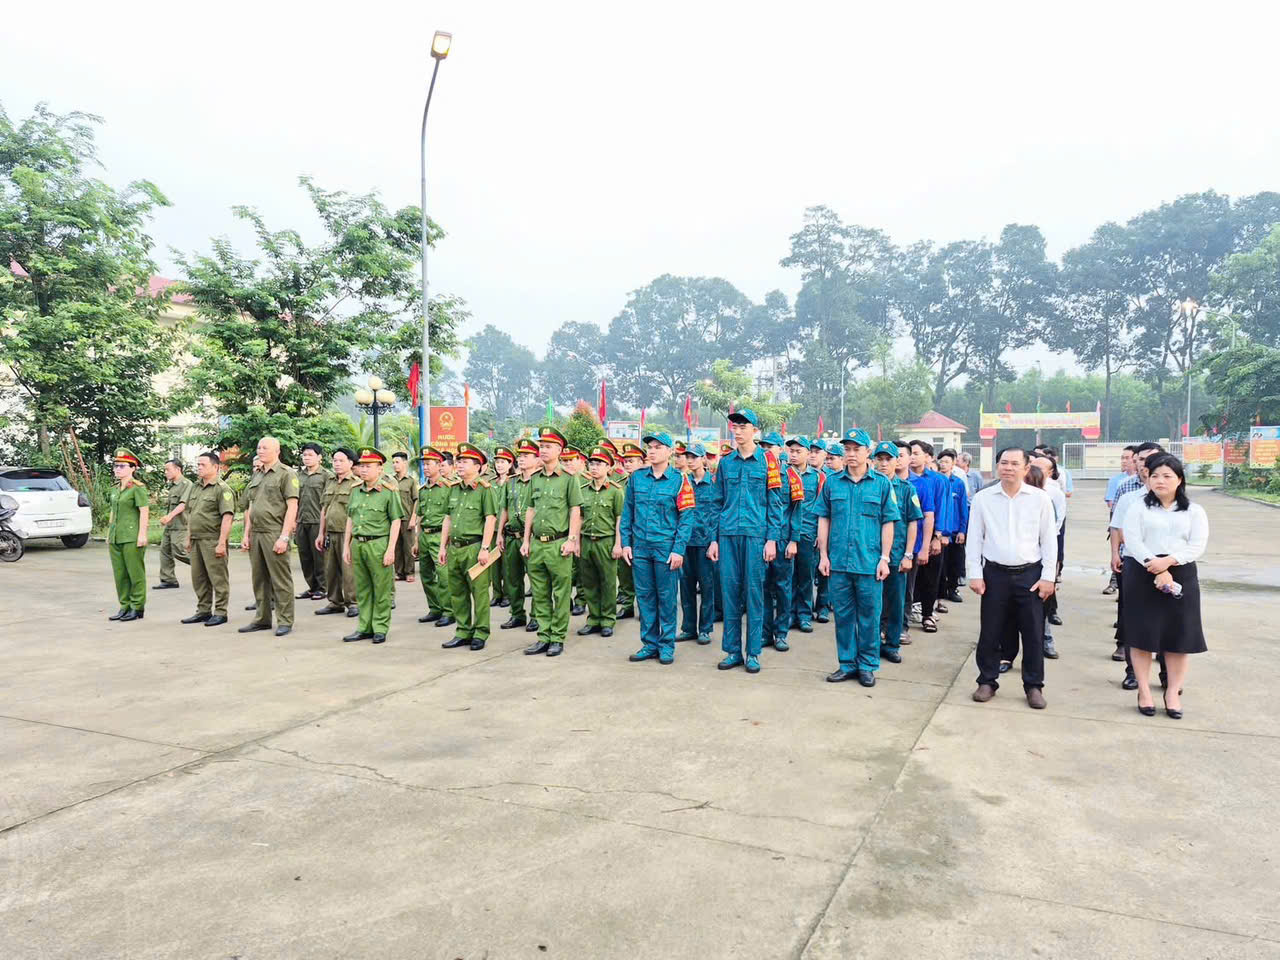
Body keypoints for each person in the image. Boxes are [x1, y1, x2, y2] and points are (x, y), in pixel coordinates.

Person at [967, 447, 1057, 710]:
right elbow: (974, 538)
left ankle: (1033, 686)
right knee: (990, 630)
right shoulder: (984, 498)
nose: (1008, 467)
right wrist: (975, 573)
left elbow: (1049, 541)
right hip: (994, 574)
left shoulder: (1040, 499)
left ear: (1026, 468)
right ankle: (987, 680)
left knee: (1033, 633)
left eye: (1014, 463)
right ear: (997, 467)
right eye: (1003, 463)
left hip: (1030, 574)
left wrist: (1048, 577)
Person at [1121, 454, 1208, 719]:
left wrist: (1169, 563)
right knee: (1142, 636)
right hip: (1142, 571)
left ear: (1179, 480)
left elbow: (1197, 545)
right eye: (1155, 475)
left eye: (1167, 476)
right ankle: (1144, 691)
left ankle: (1172, 692)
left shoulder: (1194, 510)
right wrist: (1154, 564)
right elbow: (1132, 540)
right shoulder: (1138, 507)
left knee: (1178, 638)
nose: (1160, 480)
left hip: (1181, 572)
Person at [815, 429, 898, 686]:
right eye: (847, 449)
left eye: (856, 449)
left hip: (869, 563)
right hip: (839, 562)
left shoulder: (882, 484)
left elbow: (888, 522)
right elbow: (824, 518)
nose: (850, 454)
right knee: (843, 615)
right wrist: (823, 555)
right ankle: (847, 663)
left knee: (870, 616)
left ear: (867, 452)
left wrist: (885, 558)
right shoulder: (832, 482)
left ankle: (867, 665)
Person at [708, 408, 784, 674]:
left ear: (755, 431)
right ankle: (732, 651)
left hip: (755, 536)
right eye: (735, 427)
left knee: (754, 595)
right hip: (727, 535)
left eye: (744, 427)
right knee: (729, 593)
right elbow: (717, 502)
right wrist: (714, 540)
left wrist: (772, 539)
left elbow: (775, 504)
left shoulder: (769, 462)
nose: (738, 432)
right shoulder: (726, 462)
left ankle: (752, 652)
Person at [621, 432, 695, 664]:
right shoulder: (637, 478)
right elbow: (627, 513)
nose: (651, 451)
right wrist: (625, 543)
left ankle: (666, 645)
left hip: (665, 548)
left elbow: (686, 518)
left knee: (666, 598)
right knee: (645, 597)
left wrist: (678, 549)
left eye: (657, 447)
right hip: (641, 547)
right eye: (649, 447)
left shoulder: (680, 480)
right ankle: (649, 644)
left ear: (669, 452)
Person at [521, 426, 583, 657]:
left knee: (561, 593)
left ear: (559, 449)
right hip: (537, 544)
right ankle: (543, 636)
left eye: (548, 446)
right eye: (541, 446)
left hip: (559, 545)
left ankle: (557, 637)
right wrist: (526, 540)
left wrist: (572, 540)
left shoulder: (568, 479)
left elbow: (575, 510)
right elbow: (530, 510)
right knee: (539, 593)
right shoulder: (535, 479)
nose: (543, 450)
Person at [1110, 442, 1166, 687]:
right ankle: (1133, 672)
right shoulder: (1130, 496)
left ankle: (1167, 673)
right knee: (1134, 619)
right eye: (1141, 459)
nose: (1145, 464)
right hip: (1135, 563)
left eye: (1151, 459)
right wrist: (1116, 553)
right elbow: (1118, 528)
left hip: (1169, 565)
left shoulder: (1178, 499)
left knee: (1167, 621)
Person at [438, 443, 499, 651]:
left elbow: (490, 519)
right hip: (455, 548)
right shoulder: (453, 489)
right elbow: (447, 518)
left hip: (474, 547)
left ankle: (480, 632)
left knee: (479, 592)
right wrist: (442, 547)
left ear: (478, 466)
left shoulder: (485, 490)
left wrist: (485, 548)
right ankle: (463, 631)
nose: (460, 466)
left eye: (464, 462)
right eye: (459, 462)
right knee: (457, 592)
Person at [239, 436, 300, 636]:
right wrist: (246, 534)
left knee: (280, 579)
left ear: (277, 450)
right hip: (256, 532)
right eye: (259, 447)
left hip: (274, 532)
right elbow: (251, 506)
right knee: (259, 578)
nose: (260, 450)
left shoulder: (286, 474)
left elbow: (292, 507)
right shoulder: (257, 475)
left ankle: (285, 620)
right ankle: (262, 618)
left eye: (265, 447)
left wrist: (284, 537)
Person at [341, 448, 403, 644]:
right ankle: (364, 626)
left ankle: (380, 627)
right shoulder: (355, 490)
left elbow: (396, 521)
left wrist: (391, 549)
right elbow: (350, 519)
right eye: (361, 466)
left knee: (381, 588)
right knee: (363, 589)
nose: (364, 470)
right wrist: (346, 545)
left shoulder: (388, 492)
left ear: (380, 468)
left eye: (368, 466)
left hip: (378, 543)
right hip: (358, 544)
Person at [872, 441, 920, 664]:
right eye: (879, 459)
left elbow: (912, 523)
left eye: (888, 459)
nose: (883, 464)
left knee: (896, 601)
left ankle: (891, 644)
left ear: (896, 461)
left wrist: (908, 554)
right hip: (870, 555)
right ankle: (871, 644)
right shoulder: (867, 486)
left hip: (897, 555)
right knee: (871, 603)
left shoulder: (906, 489)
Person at [759, 431, 803, 653]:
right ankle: (766, 633)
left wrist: (794, 540)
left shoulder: (791, 475)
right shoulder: (757, 471)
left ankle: (781, 633)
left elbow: (796, 511)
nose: (766, 450)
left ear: (780, 450)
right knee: (762, 587)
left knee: (783, 588)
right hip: (760, 539)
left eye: (771, 446)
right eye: (763, 446)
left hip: (784, 540)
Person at [180, 451, 235, 626]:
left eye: (203, 465)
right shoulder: (196, 487)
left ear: (215, 467)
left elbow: (227, 517)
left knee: (218, 578)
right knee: (199, 578)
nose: (199, 468)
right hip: (196, 539)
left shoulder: (222, 489)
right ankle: (203, 610)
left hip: (212, 539)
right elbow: (191, 513)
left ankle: (220, 612)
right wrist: (188, 537)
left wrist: (221, 543)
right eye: (198, 465)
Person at [576, 445, 624, 638]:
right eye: (592, 463)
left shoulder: (615, 491)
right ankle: (593, 619)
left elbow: (620, 519)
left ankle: (607, 619)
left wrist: (618, 544)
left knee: (608, 582)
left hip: (606, 540)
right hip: (587, 540)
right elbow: (578, 517)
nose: (594, 467)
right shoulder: (583, 490)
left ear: (608, 467)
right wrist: (577, 541)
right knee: (589, 582)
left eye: (599, 464)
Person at [407, 445, 456, 626]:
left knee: (444, 576)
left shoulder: (449, 487)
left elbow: (451, 516)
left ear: (439, 465)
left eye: (429, 464)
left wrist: (447, 540)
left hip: (440, 536)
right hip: (425, 536)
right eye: (424, 465)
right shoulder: (423, 490)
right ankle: (435, 608)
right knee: (426, 576)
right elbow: (419, 516)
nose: (425, 467)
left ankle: (449, 612)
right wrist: (416, 541)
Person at [677, 442, 719, 645]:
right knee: (686, 587)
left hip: (705, 543)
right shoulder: (683, 483)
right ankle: (688, 628)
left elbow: (718, 514)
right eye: (688, 456)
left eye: (694, 456)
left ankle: (705, 629)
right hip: (686, 542)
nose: (690, 460)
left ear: (704, 459)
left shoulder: (714, 483)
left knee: (707, 586)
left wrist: (714, 541)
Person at [313, 447, 361, 618]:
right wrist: (321, 533)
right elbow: (324, 508)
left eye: (341, 461)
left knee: (348, 570)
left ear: (350, 463)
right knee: (330, 569)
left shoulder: (356, 483)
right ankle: (335, 602)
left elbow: (358, 511)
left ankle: (353, 602)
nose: (337, 464)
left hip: (347, 533)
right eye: (335, 460)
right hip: (330, 533)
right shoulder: (330, 481)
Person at [499, 439, 540, 632]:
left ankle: (536, 616)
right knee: (513, 579)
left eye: (526, 456)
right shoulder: (511, 482)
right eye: (520, 456)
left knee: (536, 579)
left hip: (531, 538)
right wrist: (499, 534)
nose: (521, 459)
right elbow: (504, 510)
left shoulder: (540, 480)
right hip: (511, 537)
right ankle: (517, 614)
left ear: (536, 459)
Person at [785, 436, 823, 634]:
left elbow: (822, 507)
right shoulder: (783, 474)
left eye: (798, 451)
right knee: (788, 575)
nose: (793, 454)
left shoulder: (817, 477)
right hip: (787, 533)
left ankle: (805, 614)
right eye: (791, 451)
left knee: (806, 575)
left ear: (808, 453)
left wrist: (819, 532)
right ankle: (790, 613)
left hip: (808, 532)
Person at [106, 449, 149, 622]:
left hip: (131, 536)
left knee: (135, 573)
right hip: (117, 536)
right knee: (120, 574)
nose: (117, 469)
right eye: (116, 466)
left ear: (133, 468)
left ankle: (137, 607)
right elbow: (113, 512)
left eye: (122, 466)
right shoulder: (116, 489)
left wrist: (142, 534)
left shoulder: (137, 488)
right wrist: (110, 533)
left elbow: (144, 511)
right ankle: (124, 605)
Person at [906, 440, 941, 633]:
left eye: (916, 453)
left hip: (928, 536)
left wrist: (938, 536)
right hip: (908, 539)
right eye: (909, 453)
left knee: (929, 577)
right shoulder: (899, 479)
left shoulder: (935, 480)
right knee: (910, 582)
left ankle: (928, 614)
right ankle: (909, 612)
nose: (912, 457)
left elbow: (938, 510)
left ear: (927, 456)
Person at [295, 443, 332, 600]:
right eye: (304, 455)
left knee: (320, 557)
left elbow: (328, 501)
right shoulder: (298, 476)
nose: (307, 458)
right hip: (301, 521)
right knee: (305, 556)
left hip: (318, 521)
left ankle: (324, 587)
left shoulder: (326, 476)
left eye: (310, 455)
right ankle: (312, 586)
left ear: (319, 457)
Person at [614, 442, 646, 620]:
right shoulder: (619, 484)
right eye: (625, 460)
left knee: (642, 575)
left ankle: (643, 608)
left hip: (642, 534)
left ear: (641, 462)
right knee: (624, 573)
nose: (627, 464)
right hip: (625, 533)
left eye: (631, 460)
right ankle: (627, 605)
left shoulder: (646, 481)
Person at [1102, 445, 1138, 594]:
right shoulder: (1117, 481)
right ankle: (1114, 583)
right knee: (1119, 557)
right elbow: (1112, 503)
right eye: (1122, 458)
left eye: (1127, 458)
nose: (1124, 461)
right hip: (1119, 522)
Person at [935, 449, 969, 605]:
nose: (943, 464)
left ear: (953, 464)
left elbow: (963, 508)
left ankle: (952, 589)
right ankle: (940, 594)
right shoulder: (936, 481)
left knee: (955, 563)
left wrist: (963, 530)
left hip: (955, 531)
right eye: (941, 461)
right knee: (941, 566)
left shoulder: (958, 483)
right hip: (940, 532)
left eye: (947, 461)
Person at [154, 459, 192, 590]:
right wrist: (167, 519)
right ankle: (168, 579)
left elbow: (183, 504)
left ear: (178, 469)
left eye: (168, 469)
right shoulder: (173, 486)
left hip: (181, 525)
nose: (166, 472)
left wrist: (169, 516)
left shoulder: (187, 484)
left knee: (180, 551)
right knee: (165, 551)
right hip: (170, 526)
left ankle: (207, 567)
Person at [490, 446, 515, 608]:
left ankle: (507, 594)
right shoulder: (490, 482)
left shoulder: (513, 481)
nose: (499, 465)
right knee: (493, 565)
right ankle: (497, 594)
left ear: (509, 463)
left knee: (507, 565)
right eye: (497, 462)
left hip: (506, 529)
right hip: (492, 529)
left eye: (502, 462)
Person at [389, 452, 419, 584]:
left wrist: (413, 518)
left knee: (408, 546)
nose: (395, 465)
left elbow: (416, 500)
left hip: (407, 518)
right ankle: (399, 571)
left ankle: (409, 572)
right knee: (396, 546)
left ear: (405, 463)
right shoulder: (390, 480)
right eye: (393, 462)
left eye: (397, 462)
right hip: (394, 518)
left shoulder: (411, 481)